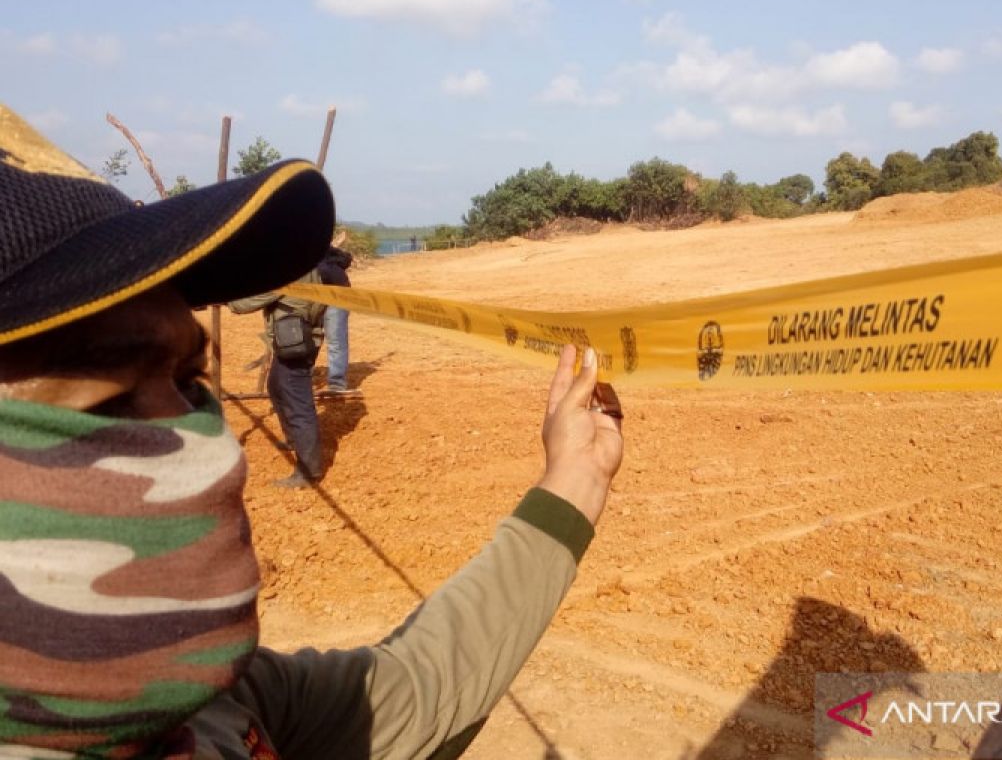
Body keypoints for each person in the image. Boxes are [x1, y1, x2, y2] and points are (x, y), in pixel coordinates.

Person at [0, 104, 623, 759]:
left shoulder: (220, 714)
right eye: (106, 402)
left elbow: (413, 692)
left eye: (190, 380)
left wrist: (576, 476)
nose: (212, 455)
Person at [229, 271, 328, 488]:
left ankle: (309, 471)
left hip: (296, 342)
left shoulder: (288, 270)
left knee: (297, 403)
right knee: (276, 386)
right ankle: (294, 440)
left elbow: (243, 304)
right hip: (296, 337)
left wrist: (226, 296)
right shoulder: (306, 262)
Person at [318, 230, 354, 394]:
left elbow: (345, 260)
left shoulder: (327, 252)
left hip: (338, 298)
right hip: (312, 298)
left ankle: (337, 383)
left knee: (336, 340)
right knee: (308, 338)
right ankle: (301, 378)